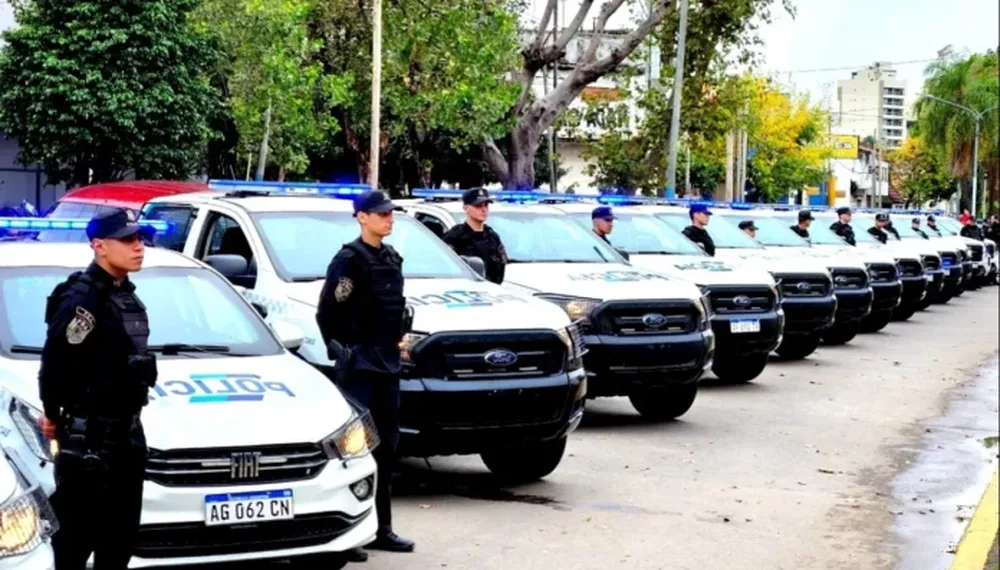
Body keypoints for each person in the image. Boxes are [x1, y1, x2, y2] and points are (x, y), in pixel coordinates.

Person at [38, 208, 157, 570]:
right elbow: (56, 363)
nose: (138, 247)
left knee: (118, 545)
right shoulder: (82, 301)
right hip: (90, 444)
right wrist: (53, 414)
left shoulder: (124, 296)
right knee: (74, 546)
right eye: (127, 240)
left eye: (139, 239)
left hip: (127, 437)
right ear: (99, 246)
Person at [316, 190, 415, 557]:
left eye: (391, 214)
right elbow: (328, 313)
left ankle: (381, 528)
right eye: (382, 214)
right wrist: (342, 350)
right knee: (353, 451)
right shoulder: (349, 261)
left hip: (387, 362)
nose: (389, 219)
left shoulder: (391, 258)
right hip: (359, 367)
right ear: (362, 217)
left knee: (386, 449)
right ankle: (348, 535)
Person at [441, 188, 508, 284]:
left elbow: (501, 266)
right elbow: (447, 268)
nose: (483, 210)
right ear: (466, 208)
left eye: (486, 205)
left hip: (491, 291)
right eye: (478, 206)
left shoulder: (492, 236)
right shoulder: (454, 237)